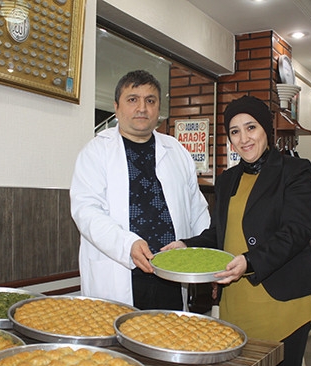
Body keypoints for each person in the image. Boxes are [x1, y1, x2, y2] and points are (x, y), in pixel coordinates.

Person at [163, 95, 311, 366]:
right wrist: (187, 244)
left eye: (251, 127)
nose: (244, 138)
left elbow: (297, 231)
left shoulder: (295, 171)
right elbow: (220, 234)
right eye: (235, 131)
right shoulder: (228, 179)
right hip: (237, 306)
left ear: (266, 129)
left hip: (282, 305)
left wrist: (250, 261)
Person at [70, 70, 210, 310]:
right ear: (116, 107)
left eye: (150, 100)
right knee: (118, 342)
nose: (142, 108)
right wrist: (128, 245)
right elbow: (86, 211)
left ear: (158, 109)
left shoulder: (177, 151)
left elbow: (197, 211)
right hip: (120, 271)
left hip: (172, 276)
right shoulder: (96, 152)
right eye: (133, 99)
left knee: (172, 337)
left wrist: (205, 259)